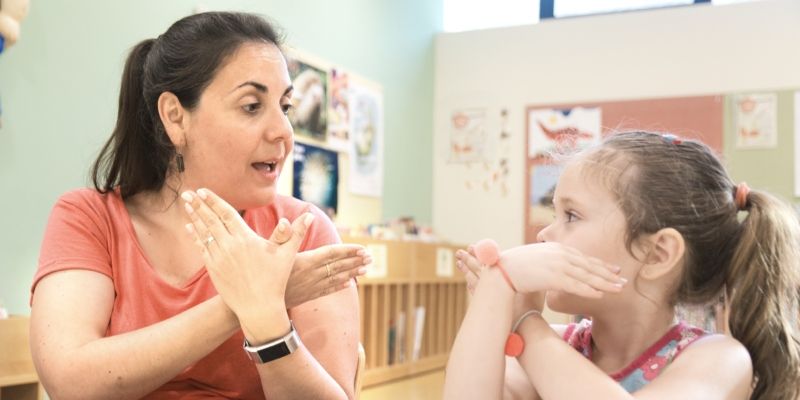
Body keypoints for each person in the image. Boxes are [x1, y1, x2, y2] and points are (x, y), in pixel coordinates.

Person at [30, 11, 370, 399]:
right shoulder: (88, 218)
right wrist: (250, 303)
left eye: (285, 107)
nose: (284, 132)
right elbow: (70, 382)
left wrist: (268, 325)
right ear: (175, 118)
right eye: (251, 106)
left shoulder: (303, 230)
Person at [444, 131, 800, 399]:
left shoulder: (718, 359)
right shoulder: (553, 344)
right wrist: (495, 293)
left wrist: (525, 323)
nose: (544, 234)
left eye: (571, 215)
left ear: (657, 254)